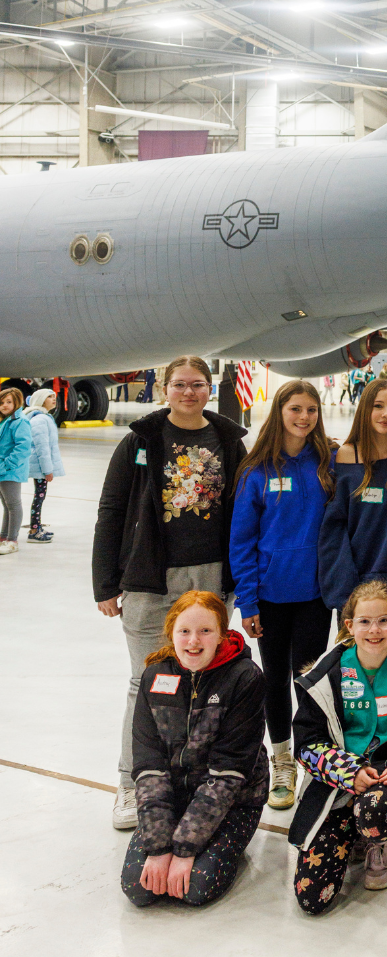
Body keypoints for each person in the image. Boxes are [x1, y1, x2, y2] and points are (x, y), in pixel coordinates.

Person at [93, 355, 248, 831]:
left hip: (211, 580)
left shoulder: (228, 440)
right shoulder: (139, 440)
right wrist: (105, 583)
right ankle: (130, 782)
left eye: (197, 384)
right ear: (165, 388)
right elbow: (112, 509)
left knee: (205, 684)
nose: (188, 393)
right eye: (179, 384)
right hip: (148, 580)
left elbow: (244, 510)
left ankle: (195, 777)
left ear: (208, 389)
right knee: (146, 683)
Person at [289, 581, 387, 914]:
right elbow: (305, 745)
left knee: (375, 810)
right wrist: (349, 772)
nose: (375, 630)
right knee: (312, 897)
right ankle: (355, 832)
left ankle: (379, 839)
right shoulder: (327, 675)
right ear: (350, 625)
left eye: (383, 621)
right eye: (364, 621)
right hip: (338, 784)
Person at [121, 590, 269, 907]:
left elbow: (228, 774)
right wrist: (161, 849)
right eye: (184, 631)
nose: (193, 641)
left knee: (195, 886)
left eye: (205, 631)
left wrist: (186, 848)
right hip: (174, 795)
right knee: (140, 886)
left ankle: (221, 844)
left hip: (233, 800)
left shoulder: (245, 678)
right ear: (171, 632)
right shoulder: (154, 675)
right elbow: (149, 766)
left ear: (222, 634)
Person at [230, 379, 335, 812]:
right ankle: (283, 759)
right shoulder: (256, 472)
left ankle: (312, 757)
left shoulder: (328, 463)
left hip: (315, 594)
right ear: (279, 412)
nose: (304, 417)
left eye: (311, 410)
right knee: (275, 680)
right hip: (271, 596)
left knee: (309, 680)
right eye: (296, 409)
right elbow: (242, 541)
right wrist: (248, 601)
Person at [319, 377, 387, 636]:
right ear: (364, 410)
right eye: (378, 406)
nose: (386, 414)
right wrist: (344, 587)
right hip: (354, 586)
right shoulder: (346, 456)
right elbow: (335, 528)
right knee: (353, 667)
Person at [24, 388, 65, 544]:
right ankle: (34, 531)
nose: (53, 399)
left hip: (40, 465)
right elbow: (42, 447)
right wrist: (48, 470)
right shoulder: (40, 419)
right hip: (40, 467)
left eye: (54, 397)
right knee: (39, 497)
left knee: (39, 496)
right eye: (49, 397)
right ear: (40, 400)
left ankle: (37, 527)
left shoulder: (42, 417)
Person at [0, 387, 31, 556]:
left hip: (10, 470)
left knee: (13, 505)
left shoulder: (20, 421)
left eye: (9, 402)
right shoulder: (5, 420)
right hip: (2, 469)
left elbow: (23, 447)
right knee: (6, 505)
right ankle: (4, 537)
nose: (4, 405)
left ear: (17, 402)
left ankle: (12, 540)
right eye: (2, 402)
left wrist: (7, 464)